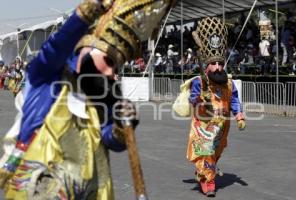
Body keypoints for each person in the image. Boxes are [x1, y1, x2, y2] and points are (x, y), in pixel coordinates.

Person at [0, 0, 175, 199]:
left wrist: (121, 128)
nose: (111, 73)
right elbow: (56, 47)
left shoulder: (104, 96)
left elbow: (108, 139)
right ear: (86, 49)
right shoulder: (48, 77)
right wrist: (87, 12)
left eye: (116, 68)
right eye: (108, 61)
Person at [189, 17, 246, 197]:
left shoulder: (228, 83)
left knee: (215, 153)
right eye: (213, 63)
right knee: (206, 153)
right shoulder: (199, 81)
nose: (218, 67)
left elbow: (234, 100)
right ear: (206, 65)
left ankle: (205, 173)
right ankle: (208, 181)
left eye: (220, 63)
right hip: (204, 125)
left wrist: (239, 116)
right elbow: (192, 100)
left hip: (222, 126)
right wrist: (200, 97)